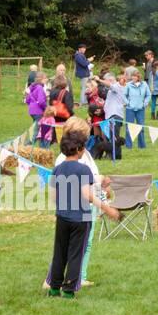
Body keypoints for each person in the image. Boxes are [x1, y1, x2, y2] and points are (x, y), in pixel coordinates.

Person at [46, 124, 120, 299]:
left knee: (59, 252)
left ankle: (54, 289)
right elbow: (88, 195)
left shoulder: (57, 169)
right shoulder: (83, 169)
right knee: (75, 254)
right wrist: (107, 209)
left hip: (62, 217)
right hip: (81, 218)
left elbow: (54, 196)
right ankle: (69, 291)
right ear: (79, 149)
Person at [123, 67, 150, 148]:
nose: (133, 78)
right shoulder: (128, 85)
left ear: (139, 77)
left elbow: (148, 95)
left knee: (141, 127)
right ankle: (128, 145)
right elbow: (124, 95)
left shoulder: (144, 84)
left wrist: (145, 103)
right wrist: (128, 103)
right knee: (129, 127)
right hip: (130, 109)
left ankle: (141, 145)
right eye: (132, 76)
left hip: (141, 109)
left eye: (135, 76)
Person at [25, 70, 48, 138]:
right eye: (46, 78)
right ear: (41, 79)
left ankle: (31, 142)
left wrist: (32, 105)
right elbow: (41, 101)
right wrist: (46, 108)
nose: (47, 79)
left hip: (32, 111)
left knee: (35, 127)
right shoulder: (40, 88)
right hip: (38, 111)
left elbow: (27, 100)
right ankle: (28, 144)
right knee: (37, 131)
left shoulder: (32, 87)